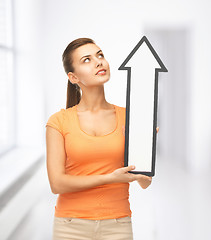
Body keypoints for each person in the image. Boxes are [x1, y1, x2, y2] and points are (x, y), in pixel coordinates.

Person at [45, 38, 158, 240]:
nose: (99, 62)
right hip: (70, 226)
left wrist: (144, 153)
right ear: (73, 77)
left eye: (100, 55)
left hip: (118, 224)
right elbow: (57, 184)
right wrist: (109, 178)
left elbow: (144, 182)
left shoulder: (130, 118)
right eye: (86, 60)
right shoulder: (58, 121)